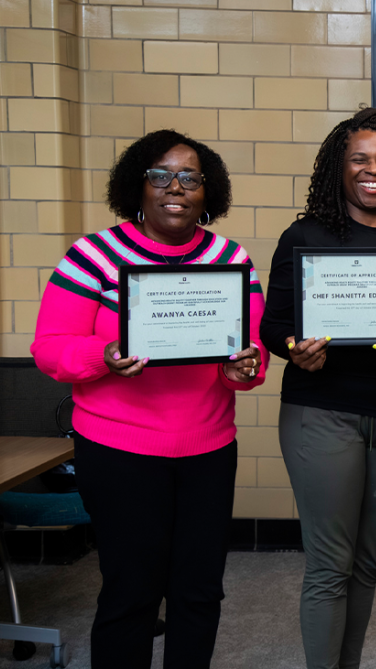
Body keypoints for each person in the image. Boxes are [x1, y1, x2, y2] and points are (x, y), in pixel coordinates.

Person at [31, 129, 265, 668]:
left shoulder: (232, 260)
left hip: (207, 451)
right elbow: (49, 350)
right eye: (160, 175)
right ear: (137, 187)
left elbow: (247, 360)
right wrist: (103, 355)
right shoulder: (92, 256)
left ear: (209, 192)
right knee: (131, 594)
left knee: (199, 591)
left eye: (190, 177)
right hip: (119, 453)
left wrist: (244, 368)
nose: (174, 187)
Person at [259, 108, 376, 669]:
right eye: (359, 159)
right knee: (329, 563)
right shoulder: (306, 234)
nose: (372, 170)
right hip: (321, 411)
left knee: (368, 561)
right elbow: (273, 326)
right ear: (338, 169)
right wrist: (295, 349)